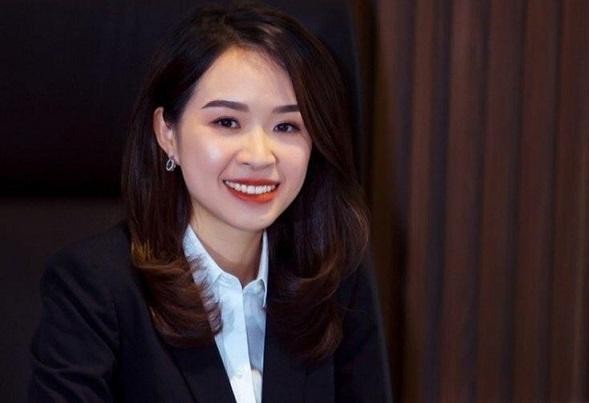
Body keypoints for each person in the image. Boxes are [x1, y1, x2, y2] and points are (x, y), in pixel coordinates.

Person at [28, 2, 391, 402]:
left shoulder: (333, 278)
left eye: (286, 126)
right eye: (227, 122)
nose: (259, 156)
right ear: (167, 133)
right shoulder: (96, 288)